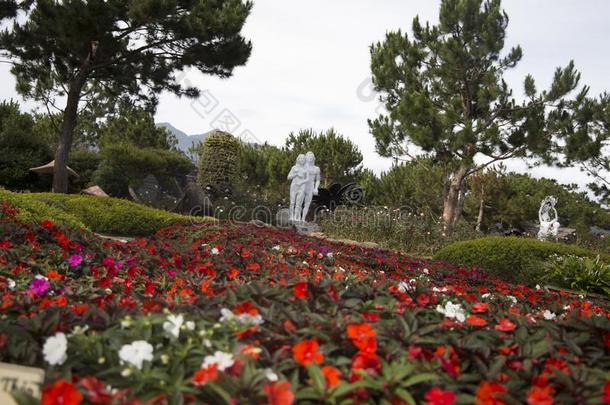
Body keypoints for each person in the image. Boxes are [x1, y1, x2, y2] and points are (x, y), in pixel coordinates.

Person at [300, 151, 320, 222]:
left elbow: (317, 180)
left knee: (307, 204)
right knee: (299, 203)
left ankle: (303, 219)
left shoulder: (316, 169)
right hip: (303, 186)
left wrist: (316, 188)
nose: (310, 158)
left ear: (314, 158)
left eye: (312, 157)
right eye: (309, 157)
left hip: (311, 187)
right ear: (306, 158)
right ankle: (297, 218)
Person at [287, 154, 308, 221]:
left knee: (299, 203)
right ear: (298, 159)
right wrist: (296, 174)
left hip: (302, 187)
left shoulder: (306, 169)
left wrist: (302, 182)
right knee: (292, 202)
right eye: (301, 158)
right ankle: (291, 216)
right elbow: (288, 177)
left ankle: (296, 217)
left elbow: (307, 179)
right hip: (294, 186)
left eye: (303, 159)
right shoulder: (294, 168)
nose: (302, 160)